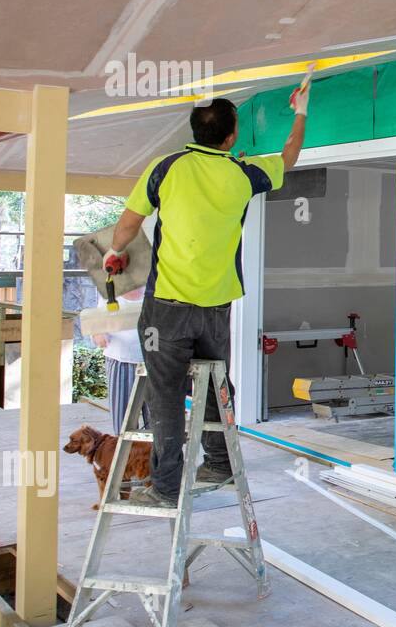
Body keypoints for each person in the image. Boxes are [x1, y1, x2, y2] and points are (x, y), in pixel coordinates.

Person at [104, 85, 309, 506]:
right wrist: (301, 112)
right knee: (216, 386)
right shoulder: (242, 172)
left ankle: (164, 488)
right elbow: (289, 157)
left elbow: (127, 226)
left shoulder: (166, 167)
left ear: (194, 130)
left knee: (165, 395)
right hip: (216, 307)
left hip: (167, 308)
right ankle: (219, 462)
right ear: (231, 138)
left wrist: (114, 251)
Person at [92, 286, 148, 435]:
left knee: (158, 423)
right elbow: (97, 324)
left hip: (153, 361)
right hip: (120, 361)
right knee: (123, 425)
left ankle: (154, 458)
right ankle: (128, 458)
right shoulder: (108, 288)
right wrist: (98, 333)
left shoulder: (156, 284)